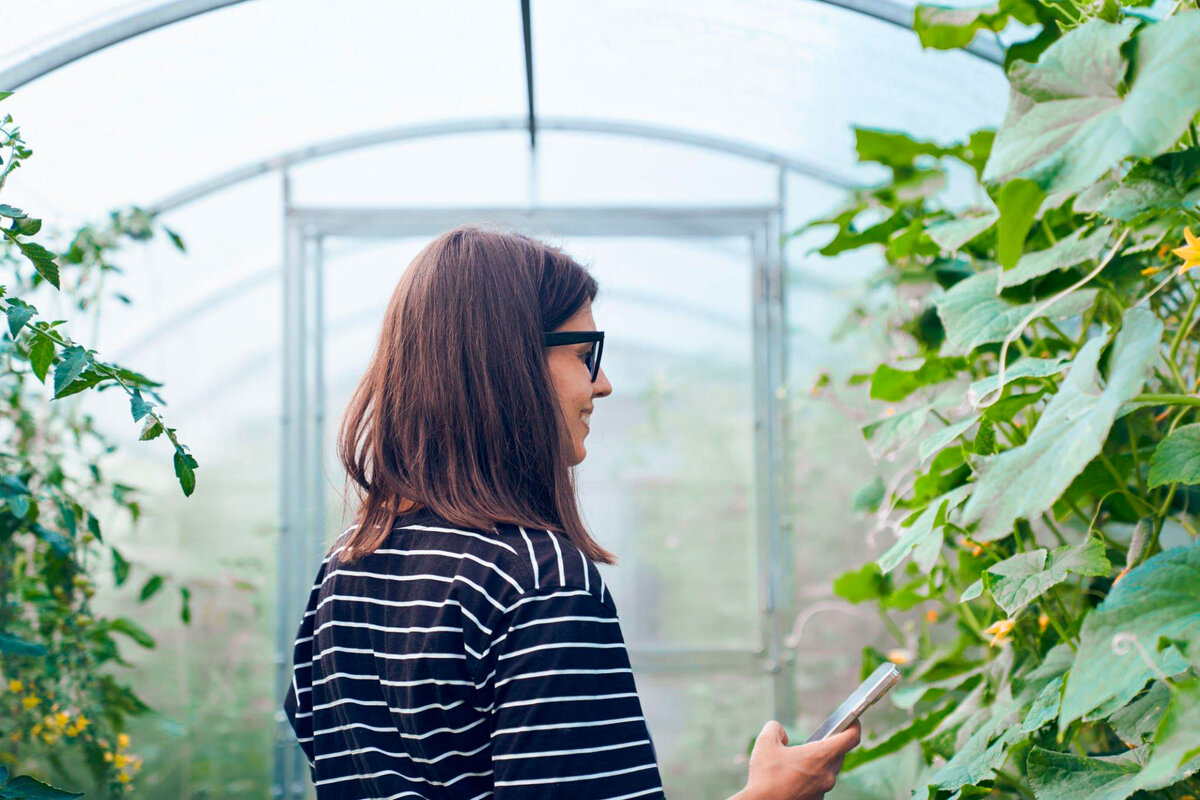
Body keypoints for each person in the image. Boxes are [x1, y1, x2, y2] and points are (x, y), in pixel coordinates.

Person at [282, 225, 860, 799]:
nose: (602, 384)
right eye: (584, 354)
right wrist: (773, 796)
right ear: (507, 365)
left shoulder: (346, 565)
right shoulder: (537, 581)